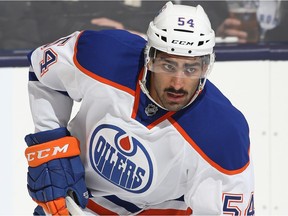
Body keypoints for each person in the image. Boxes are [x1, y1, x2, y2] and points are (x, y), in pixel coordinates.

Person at [24, 1, 255, 215]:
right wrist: (50, 145)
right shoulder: (103, 55)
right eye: (167, 65)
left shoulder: (223, 134)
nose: (177, 82)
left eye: (191, 69)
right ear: (149, 57)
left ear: (206, 67)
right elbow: (44, 73)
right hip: (80, 201)